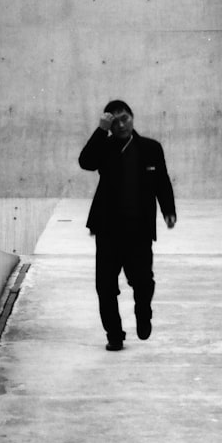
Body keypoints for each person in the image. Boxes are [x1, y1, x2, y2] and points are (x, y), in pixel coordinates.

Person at [79, 100, 177, 352]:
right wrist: (100, 131)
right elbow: (86, 162)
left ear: (132, 118)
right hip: (108, 228)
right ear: (109, 124)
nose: (121, 124)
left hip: (139, 229)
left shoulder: (150, 148)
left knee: (143, 281)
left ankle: (143, 312)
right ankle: (114, 334)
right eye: (115, 121)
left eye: (125, 118)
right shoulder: (105, 146)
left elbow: (162, 182)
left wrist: (169, 211)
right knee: (105, 286)